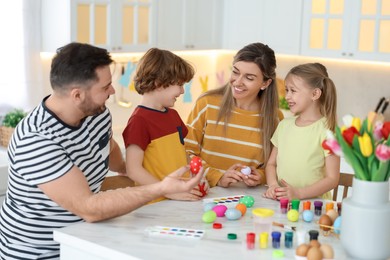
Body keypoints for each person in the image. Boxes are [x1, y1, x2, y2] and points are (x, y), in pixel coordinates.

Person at [0, 42, 203, 259]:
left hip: (84, 237)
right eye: (105, 87)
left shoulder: (97, 113)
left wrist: (127, 168)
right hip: (40, 251)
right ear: (77, 95)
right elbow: (90, 208)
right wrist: (162, 188)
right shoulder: (36, 140)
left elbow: (108, 146)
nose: (113, 91)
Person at [185, 42, 282, 188]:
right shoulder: (207, 104)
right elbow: (186, 152)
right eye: (235, 72)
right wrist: (217, 177)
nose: (237, 81)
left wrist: (260, 176)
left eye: (249, 78)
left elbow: (273, 165)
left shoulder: (275, 118)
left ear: (265, 83)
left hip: (249, 199)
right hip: (205, 192)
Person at [122, 48, 207, 202]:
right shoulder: (139, 121)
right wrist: (167, 191)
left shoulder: (172, 115)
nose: (182, 91)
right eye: (180, 85)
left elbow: (183, 154)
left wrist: (197, 179)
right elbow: (133, 170)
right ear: (159, 83)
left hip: (177, 198)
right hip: (154, 203)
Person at [264, 63, 340, 200]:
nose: (287, 96)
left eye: (293, 91)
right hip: (282, 202)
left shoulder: (328, 130)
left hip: (314, 206)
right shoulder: (284, 126)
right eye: (287, 90)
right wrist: (272, 185)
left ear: (315, 94)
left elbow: (332, 178)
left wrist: (299, 194)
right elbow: (271, 164)